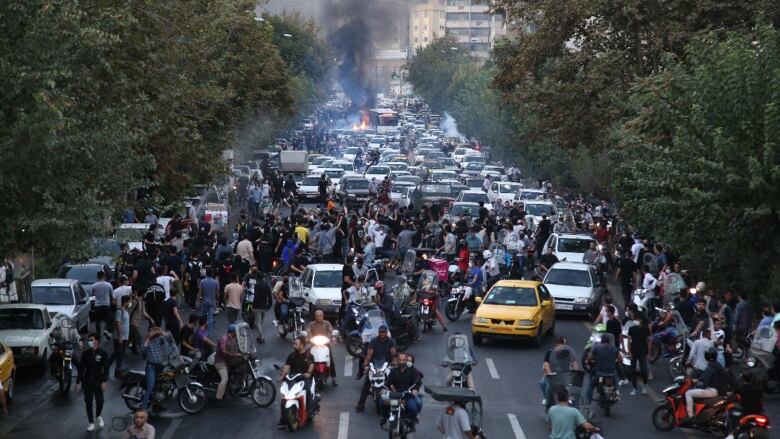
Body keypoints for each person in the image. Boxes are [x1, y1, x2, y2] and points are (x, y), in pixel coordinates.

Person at [356, 325, 397, 411]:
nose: (382, 334)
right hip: (375, 364)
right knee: (367, 383)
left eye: (383, 332)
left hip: (386, 365)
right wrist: (366, 365)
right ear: (378, 333)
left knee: (392, 383)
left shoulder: (391, 342)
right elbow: (369, 354)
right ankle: (360, 404)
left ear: (386, 333)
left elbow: (393, 354)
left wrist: (395, 364)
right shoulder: (374, 341)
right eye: (380, 332)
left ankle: (395, 403)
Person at [277, 336, 315, 426]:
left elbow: (311, 366)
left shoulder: (308, 355)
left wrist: (308, 373)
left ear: (302, 345)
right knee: (284, 396)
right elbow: (286, 367)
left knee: (307, 389)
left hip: (304, 379)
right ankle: (283, 418)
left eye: (296, 344)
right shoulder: (292, 355)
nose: (294, 346)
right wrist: (282, 376)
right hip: (293, 378)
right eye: (293, 344)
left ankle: (309, 411)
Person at [76, 333, 109, 431]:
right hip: (87, 382)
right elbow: (81, 369)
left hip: (98, 382)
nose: (89, 342)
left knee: (100, 401)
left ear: (97, 341)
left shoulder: (103, 353)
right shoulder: (85, 354)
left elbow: (106, 369)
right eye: (89, 340)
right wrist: (78, 382)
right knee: (88, 402)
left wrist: (104, 381)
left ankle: (98, 415)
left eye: (91, 340)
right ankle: (91, 423)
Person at [384, 352, 422, 430]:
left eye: (404, 360)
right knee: (382, 403)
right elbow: (387, 383)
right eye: (400, 360)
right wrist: (384, 389)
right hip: (395, 396)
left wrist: (415, 389)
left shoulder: (412, 372)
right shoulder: (393, 372)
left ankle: (412, 423)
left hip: (407, 396)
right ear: (397, 361)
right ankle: (385, 419)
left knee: (413, 408)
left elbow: (417, 382)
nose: (402, 362)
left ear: (406, 361)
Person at [684, 347, 725, 420]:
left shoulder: (710, 367)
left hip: (711, 390)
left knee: (688, 393)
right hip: (717, 390)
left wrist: (696, 382)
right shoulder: (718, 365)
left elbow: (703, 383)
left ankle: (690, 415)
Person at [585, 333, 621, 405]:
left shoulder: (597, 348)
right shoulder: (614, 349)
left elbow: (589, 359)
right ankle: (617, 392)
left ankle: (587, 404)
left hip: (600, 374)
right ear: (609, 341)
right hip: (611, 373)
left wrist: (588, 361)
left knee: (591, 385)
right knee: (615, 379)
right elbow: (620, 360)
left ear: (601, 341)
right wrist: (614, 361)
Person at [306, 310, 337, 386]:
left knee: (330, 359)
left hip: (325, 344)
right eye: (317, 316)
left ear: (323, 316)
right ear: (315, 316)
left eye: (320, 315)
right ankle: (306, 375)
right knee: (307, 357)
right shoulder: (311, 324)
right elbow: (308, 331)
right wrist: (309, 338)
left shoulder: (327, 323)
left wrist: (331, 337)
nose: (319, 317)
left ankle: (334, 378)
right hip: (314, 344)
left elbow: (330, 331)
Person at [215, 324, 242, 405]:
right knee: (225, 379)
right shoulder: (224, 338)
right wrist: (233, 354)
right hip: (221, 362)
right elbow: (223, 350)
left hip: (230, 360)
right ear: (233, 332)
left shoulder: (234, 338)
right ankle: (218, 398)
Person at [140, 326, 165, 410]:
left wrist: (161, 331)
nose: (155, 332)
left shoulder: (159, 339)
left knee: (161, 386)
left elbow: (168, 340)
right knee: (150, 387)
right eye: (152, 330)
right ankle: (143, 408)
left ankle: (157, 405)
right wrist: (148, 337)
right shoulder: (147, 342)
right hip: (151, 367)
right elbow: (142, 349)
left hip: (160, 365)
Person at [627, 313, 650, 395]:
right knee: (633, 371)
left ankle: (645, 385)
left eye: (637, 319)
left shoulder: (645, 329)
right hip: (633, 351)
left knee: (644, 369)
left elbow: (648, 341)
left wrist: (649, 353)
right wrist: (629, 351)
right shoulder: (631, 329)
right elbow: (629, 341)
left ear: (641, 320)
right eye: (635, 319)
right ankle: (634, 388)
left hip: (643, 352)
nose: (636, 321)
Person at [111, 295, 131, 377]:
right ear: (125, 302)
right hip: (119, 337)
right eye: (129, 301)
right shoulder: (119, 311)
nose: (130, 303)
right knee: (119, 354)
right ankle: (117, 371)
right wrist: (120, 336)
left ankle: (108, 367)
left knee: (118, 354)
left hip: (124, 337)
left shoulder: (126, 311)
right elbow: (118, 323)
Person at [251, 273, 273, 344]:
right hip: (264, 306)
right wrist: (269, 305)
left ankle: (261, 337)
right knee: (261, 322)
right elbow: (270, 296)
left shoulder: (257, 285)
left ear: (257, 278)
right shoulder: (266, 285)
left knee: (258, 323)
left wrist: (253, 305)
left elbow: (256, 296)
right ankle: (259, 335)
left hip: (257, 307)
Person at [91, 270, 114, 339]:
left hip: (98, 305)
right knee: (109, 319)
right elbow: (111, 294)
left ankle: (98, 335)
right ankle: (106, 330)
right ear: (104, 276)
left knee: (98, 320)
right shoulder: (108, 285)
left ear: (97, 277)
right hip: (107, 304)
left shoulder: (94, 285)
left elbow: (92, 294)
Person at [199, 269, 219, 334]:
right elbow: (217, 292)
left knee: (203, 316)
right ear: (212, 274)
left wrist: (199, 298)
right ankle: (208, 332)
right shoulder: (215, 282)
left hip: (204, 301)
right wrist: (217, 300)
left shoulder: (202, 281)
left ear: (206, 274)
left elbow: (200, 292)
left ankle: (202, 330)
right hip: (212, 301)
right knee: (210, 317)